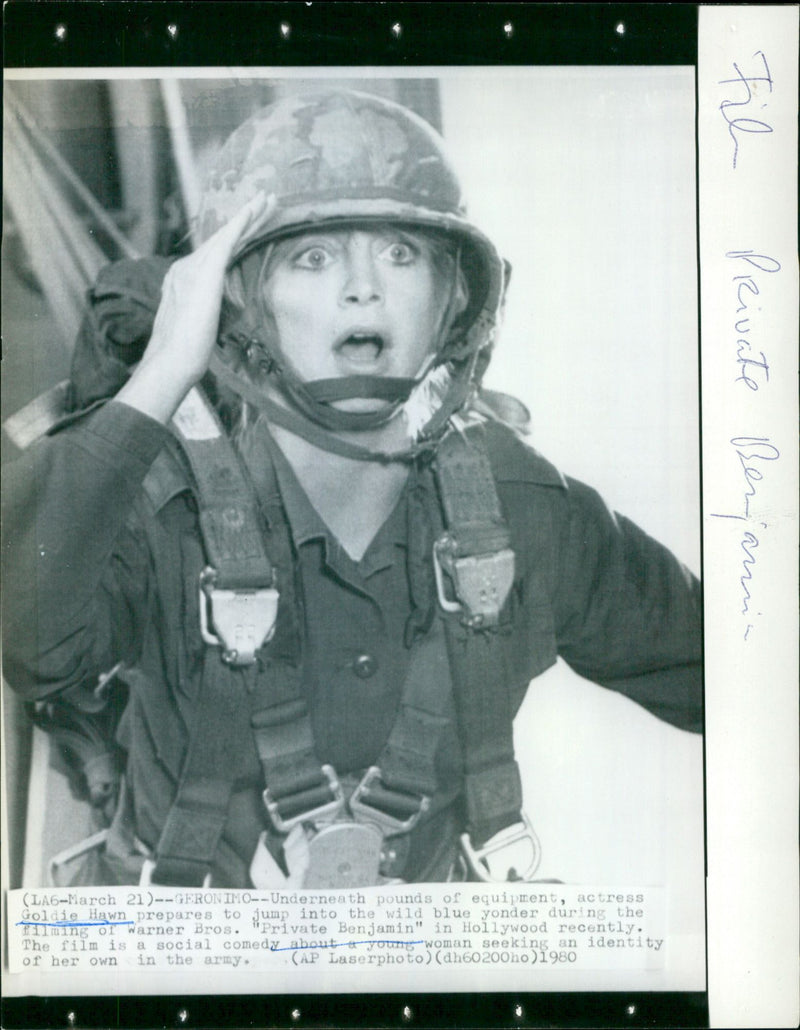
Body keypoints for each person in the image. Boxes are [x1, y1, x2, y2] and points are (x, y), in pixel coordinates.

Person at [2, 89, 702, 889]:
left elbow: (740, 678)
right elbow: (28, 635)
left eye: (402, 255)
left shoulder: (527, 512)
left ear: (452, 300)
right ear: (243, 300)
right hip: (187, 963)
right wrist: (164, 370)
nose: (363, 290)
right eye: (314, 257)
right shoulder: (160, 505)